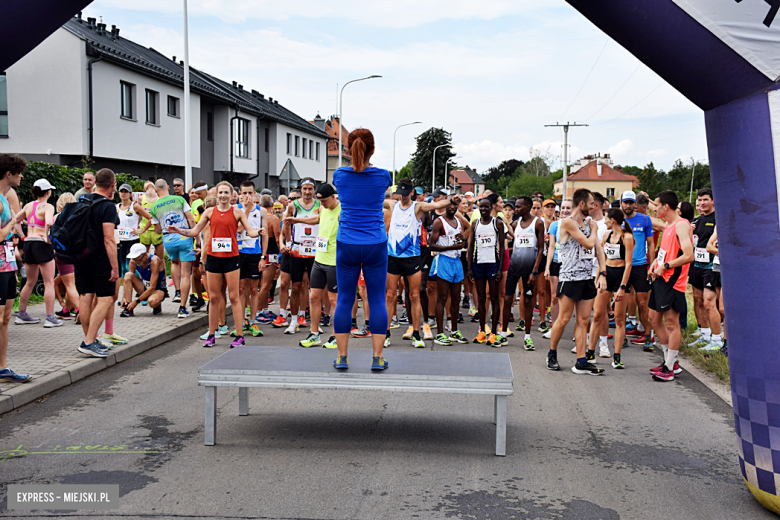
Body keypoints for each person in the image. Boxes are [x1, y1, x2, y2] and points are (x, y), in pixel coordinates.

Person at [169, 181, 261, 348]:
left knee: (234, 297)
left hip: (232, 258)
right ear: (216, 195)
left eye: (226, 193)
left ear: (231, 195)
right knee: (214, 297)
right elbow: (195, 231)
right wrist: (179, 230)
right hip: (213, 258)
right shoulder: (210, 212)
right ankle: (212, 334)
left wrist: (258, 233)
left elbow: (250, 231)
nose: (223, 196)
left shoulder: (237, 212)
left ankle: (239, 335)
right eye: (221, 193)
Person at [330, 128, 391, 370]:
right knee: (376, 299)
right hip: (375, 242)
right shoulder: (383, 176)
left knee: (345, 299)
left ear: (347, 149)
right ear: (373, 149)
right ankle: (377, 358)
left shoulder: (339, 175)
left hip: (348, 244)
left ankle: (342, 357)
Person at [384, 179, 457, 348]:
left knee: (415, 295)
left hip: (412, 257)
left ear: (411, 193)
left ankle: (416, 333)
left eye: (405, 193)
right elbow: (371, 199)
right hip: (393, 257)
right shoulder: (392, 205)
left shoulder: (418, 207)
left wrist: (453, 200)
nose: (402, 197)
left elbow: (439, 203)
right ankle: (386, 334)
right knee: (389, 296)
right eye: (400, 193)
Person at [547, 188, 606, 375]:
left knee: (583, 320)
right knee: (564, 319)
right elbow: (588, 243)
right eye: (590, 204)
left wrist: (602, 272)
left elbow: (598, 249)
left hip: (587, 277)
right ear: (581, 204)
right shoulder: (567, 223)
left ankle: (581, 361)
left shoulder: (589, 225)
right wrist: (595, 229)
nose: (593, 207)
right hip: (570, 277)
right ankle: (552, 353)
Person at [648, 190, 694, 382]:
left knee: (672, 323)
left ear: (666, 206)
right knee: (653, 318)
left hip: (672, 281)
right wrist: (655, 264)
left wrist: (665, 266)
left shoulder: (681, 225)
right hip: (660, 277)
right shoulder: (668, 225)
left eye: (656, 206)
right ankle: (670, 361)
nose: (654, 209)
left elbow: (688, 255)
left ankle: (669, 367)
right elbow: (665, 251)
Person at [75, 168, 120, 358]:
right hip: (100, 258)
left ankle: (90, 339)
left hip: (80, 256)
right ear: (112, 185)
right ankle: (88, 342)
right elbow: (109, 239)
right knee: (106, 299)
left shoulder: (82, 201)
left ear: (95, 183)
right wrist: (115, 268)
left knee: (85, 297)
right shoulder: (107, 206)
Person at [295, 183, 340, 349]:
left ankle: (336, 336)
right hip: (319, 260)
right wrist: (296, 219)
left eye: (325, 201)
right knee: (314, 297)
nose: (322, 204)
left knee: (334, 300)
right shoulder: (323, 209)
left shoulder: (342, 210)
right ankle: (314, 334)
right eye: (319, 201)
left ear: (333, 197)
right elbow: (317, 219)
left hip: (335, 262)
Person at [587, 208, 634, 367]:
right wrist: (599, 276)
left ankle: (617, 356)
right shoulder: (606, 235)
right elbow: (603, 258)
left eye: (606, 218)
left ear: (613, 220)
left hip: (621, 278)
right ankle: (591, 352)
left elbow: (628, 264)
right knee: (597, 315)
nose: (604, 221)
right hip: (607, 275)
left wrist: (622, 286)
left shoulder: (627, 237)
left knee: (620, 319)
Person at [0, 154, 31, 388]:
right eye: (18, 172)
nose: (21, 176)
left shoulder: (4, 197)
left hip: (8, 261)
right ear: (8, 173)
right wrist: (13, 222)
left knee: (6, 318)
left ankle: (2, 368)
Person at [14, 179, 61, 327]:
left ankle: (21, 314)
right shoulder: (48, 206)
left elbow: (15, 220)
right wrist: (48, 239)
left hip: (29, 243)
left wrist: (22, 236)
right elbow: (49, 222)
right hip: (41, 243)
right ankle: (50, 318)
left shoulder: (28, 205)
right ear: (48, 192)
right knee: (48, 282)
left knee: (29, 281)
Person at [502, 197, 545, 350]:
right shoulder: (515, 223)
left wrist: (535, 271)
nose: (516, 210)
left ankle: (527, 337)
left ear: (527, 207)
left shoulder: (538, 223)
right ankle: (503, 334)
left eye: (519, 207)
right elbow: (510, 239)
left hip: (529, 269)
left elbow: (540, 249)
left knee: (527, 301)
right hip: (514, 267)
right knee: (508, 300)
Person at [148, 179, 195, 318]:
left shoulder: (154, 206)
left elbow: (157, 230)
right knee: (186, 273)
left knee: (174, 263)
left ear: (156, 190)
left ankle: (177, 290)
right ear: (168, 187)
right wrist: (195, 235)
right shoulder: (179, 199)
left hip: (168, 239)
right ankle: (182, 308)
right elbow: (191, 219)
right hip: (184, 236)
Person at [280, 178, 319, 334]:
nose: (307, 192)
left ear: (314, 190)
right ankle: (294, 321)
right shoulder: (293, 205)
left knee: (315, 289)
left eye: (310, 189)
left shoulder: (319, 205)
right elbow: (286, 224)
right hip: (297, 250)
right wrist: (288, 242)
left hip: (315, 250)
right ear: (301, 190)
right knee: (295, 287)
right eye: (305, 189)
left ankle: (315, 324)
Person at [429, 196, 469, 346]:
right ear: (445, 205)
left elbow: (464, 236)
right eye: (450, 204)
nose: (452, 207)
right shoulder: (439, 222)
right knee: (442, 298)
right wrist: (451, 247)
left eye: (455, 205)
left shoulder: (459, 221)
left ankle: (453, 331)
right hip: (444, 260)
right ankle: (440, 333)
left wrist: (464, 239)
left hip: (456, 261)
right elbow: (431, 246)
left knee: (456, 298)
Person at [468, 197, 506, 345]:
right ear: (478, 207)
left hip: (493, 264)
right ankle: (482, 330)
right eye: (481, 207)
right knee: (482, 298)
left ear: (491, 207)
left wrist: (500, 268)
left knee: (494, 298)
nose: (483, 209)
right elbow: (471, 246)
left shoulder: (497, 223)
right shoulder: (475, 223)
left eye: (486, 207)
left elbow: (502, 247)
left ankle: (494, 332)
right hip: (478, 264)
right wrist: (470, 267)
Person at [620, 190, 655, 352]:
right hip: (622, 266)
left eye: (630, 202)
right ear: (621, 203)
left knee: (643, 302)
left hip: (640, 266)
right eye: (625, 202)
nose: (628, 205)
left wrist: (652, 265)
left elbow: (651, 244)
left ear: (635, 204)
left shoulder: (645, 219)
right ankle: (623, 337)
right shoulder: (617, 220)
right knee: (623, 302)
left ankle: (648, 336)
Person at [687, 188, 720, 349]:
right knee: (699, 300)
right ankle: (705, 335)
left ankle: (717, 339)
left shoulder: (717, 218)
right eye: (699, 200)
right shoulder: (698, 220)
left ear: (713, 201)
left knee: (708, 302)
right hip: (697, 265)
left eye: (705, 199)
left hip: (711, 266)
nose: (702, 203)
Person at [235, 181, 267, 338]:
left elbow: (264, 235)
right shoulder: (236, 210)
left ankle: (253, 321)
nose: (247, 196)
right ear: (240, 194)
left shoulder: (261, 211)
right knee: (241, 288)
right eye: (244, 193)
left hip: (255, 253)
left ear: (255, 194)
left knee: (254, 288)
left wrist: (263, 257)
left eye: (250, 193)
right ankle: (240, 323)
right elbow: (239, 229)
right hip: (240, 252)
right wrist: (246, 211)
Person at [544, 199, 572, 339]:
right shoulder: (555, 225)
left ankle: (576, 329)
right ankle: (554, 326)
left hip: (571, 263)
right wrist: (547, 267)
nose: (565, 210)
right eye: (563, 208)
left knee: (570, 297)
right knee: (554, 296)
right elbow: (551, 246)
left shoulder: (576, 225)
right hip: (556, 261)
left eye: (568, 208)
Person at [119, 243, 167, 316]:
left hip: (157, 289)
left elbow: (152, 287)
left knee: (152, 302)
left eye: (137, 259)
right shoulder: (133, 261)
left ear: (144, 255)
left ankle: (157, 305)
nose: (136, 262)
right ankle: (128, 307)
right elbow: (126, 280)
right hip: (144, 286)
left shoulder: (154, 261)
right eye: (134, 259)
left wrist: (136, 301)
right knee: (128, 275)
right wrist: (124, 297)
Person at [53, 193, 80, 320]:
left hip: (62, 254)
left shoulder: (56, 218)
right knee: (73, 284)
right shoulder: (77, 217)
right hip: (77, 254)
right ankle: (66, 310)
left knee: (70, 285)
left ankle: (80, 310)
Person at [116, 183, 152, 278]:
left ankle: (142, 285)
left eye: (126, 192)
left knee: (130, 267)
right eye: (121, 192)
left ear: (130, 194)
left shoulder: (135, 206)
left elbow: (150, 218)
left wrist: (141, 230)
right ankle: (126, 290)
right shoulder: (117, 207)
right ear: (118, 193)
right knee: (122, 268)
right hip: (120, 240)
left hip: (132, 239)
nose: (123, 194)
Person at [257, 195, 281, 324]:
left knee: (259, 285)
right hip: (270, 254)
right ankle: (258, 312)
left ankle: (264, 310)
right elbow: (277, 238)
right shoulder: (273, 219)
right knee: (266, 285)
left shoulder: (256, 218)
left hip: (257, 253)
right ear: (272, 205)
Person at [703, 226, 725, 353]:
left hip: (727, 268)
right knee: (720, 308)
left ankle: (727, 342)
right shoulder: (719, 225)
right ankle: (720, 341)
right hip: (716, 267)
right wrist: (720, 249)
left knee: (723, 308)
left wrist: (718, 247)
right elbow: (709, 247)